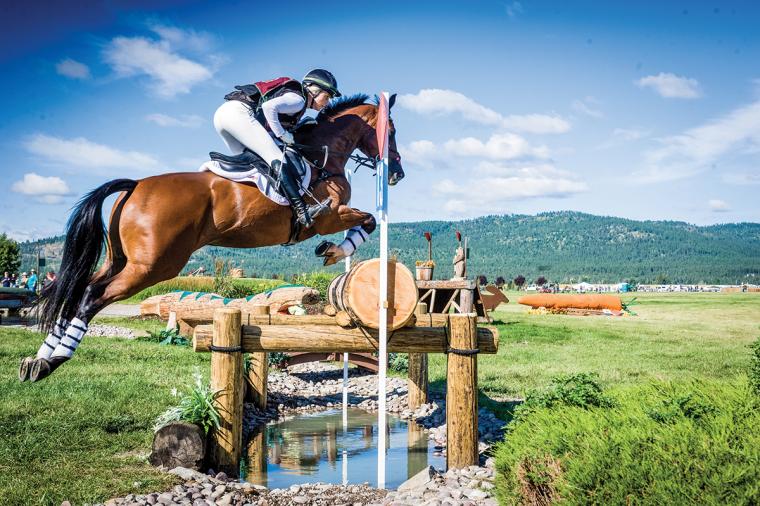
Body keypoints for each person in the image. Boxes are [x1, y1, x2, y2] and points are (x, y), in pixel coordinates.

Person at [213, 69, 341, 228]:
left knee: (256, 163)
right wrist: (283, 134)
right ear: (314, 90)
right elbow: (268, 107)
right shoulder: (299, 100)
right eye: (326, 97)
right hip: (238, 114)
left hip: (223, 116)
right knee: (277, 158)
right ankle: (302, 211)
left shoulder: (295, 100)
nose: (327, 103)